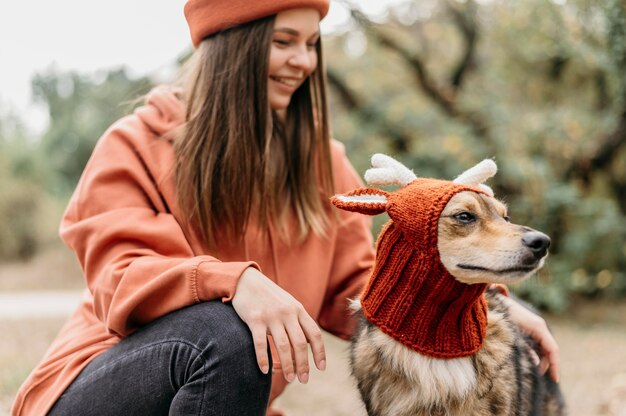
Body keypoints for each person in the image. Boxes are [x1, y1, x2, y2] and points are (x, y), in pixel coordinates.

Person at [12, 1, 560, 415]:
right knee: (225, 332)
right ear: (232, 44)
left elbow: (371, 289)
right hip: (96, 385)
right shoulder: (136, 143)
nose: (303, 60)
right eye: (283, 42)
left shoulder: (322, 163)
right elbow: (120, 275)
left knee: (231, 336)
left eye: (312, 43)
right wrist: (236, 282)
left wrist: (486, 308)